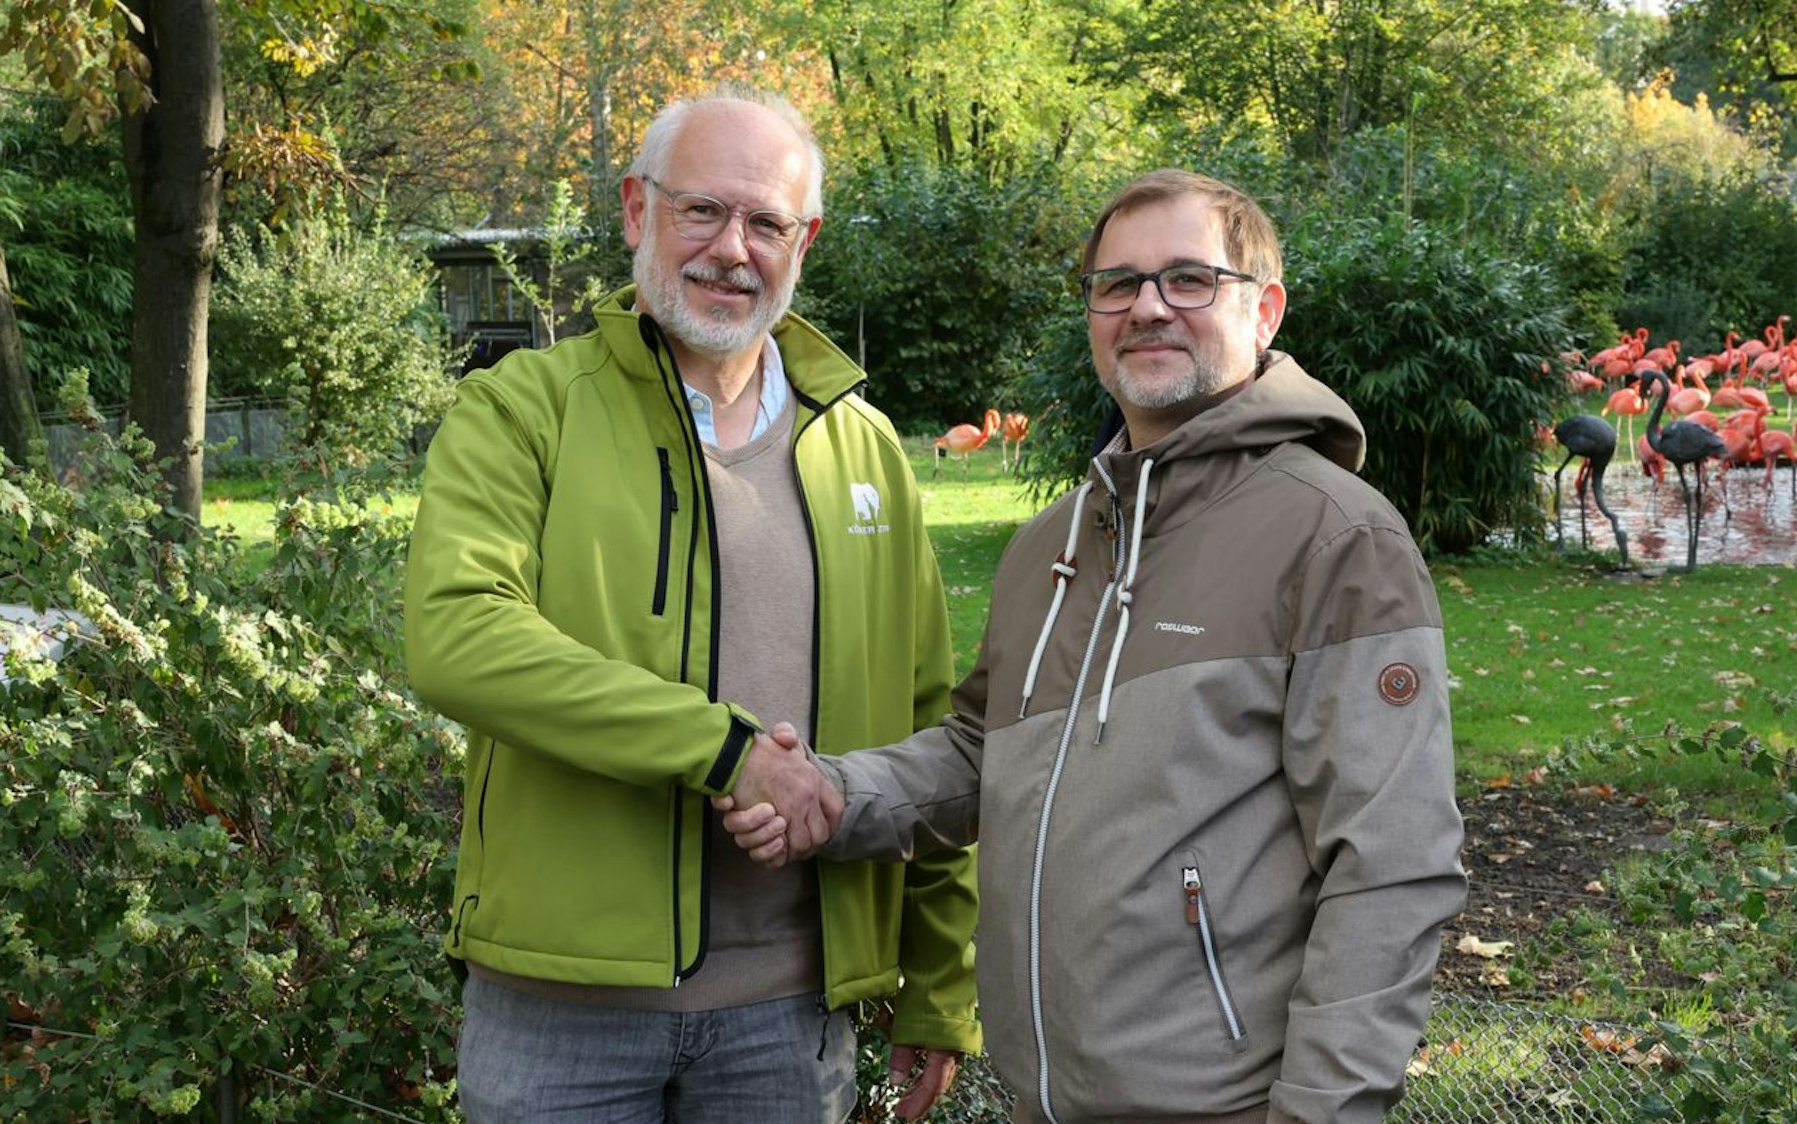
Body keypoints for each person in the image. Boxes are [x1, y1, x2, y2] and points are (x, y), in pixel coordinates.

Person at [720, 169, 1468, 1123]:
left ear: (1264, 310)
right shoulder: (1054, 544)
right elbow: (980, 755)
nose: (1148, 307)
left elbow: (1392, 865)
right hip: (1043, 1099)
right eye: (1117, 284)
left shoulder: (1336, 538)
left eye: (1188, 279)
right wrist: (834, 795)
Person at [404, 84, 979, 1123]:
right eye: (701, 210)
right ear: (637, 211)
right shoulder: (523, 410)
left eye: (765, 221)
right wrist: (725, 749)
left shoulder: (864, 451)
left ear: (802, 240)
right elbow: (458, 638)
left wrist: (935, 983)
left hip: (790, 1016)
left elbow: (930, 725)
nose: (732, 248)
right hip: (560, 1012)